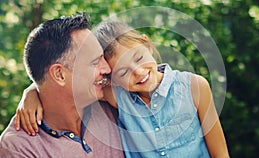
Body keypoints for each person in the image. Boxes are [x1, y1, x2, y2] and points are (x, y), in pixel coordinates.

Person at [16, 21, 230, 157]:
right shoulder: (118, 97)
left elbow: (220, 153)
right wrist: (32, 92)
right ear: (113, 78)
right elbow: (59, 85)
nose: (138, 72)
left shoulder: (195, 87)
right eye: (124, 72)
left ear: (147, 44)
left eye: (138, 57)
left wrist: (31, 93)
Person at [0, 14, 124, 157]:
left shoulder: (110, 99)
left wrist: (31, 90)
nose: (107, 69)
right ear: (59, 74)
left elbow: (150, 74)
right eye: (95, 62)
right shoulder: (19, 148)